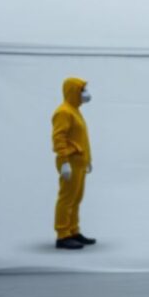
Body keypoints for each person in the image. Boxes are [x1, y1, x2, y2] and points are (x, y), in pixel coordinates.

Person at [52, 77, 96, 250]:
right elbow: (59, 138)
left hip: (79, 162)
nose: (85, 93)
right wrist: (63, 162)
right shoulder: (63, 112)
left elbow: (81, 139)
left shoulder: (74, 111)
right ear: (73, 91)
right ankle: (62, 235)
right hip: (70, 161)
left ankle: (73, 231)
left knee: (76, 198)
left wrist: (88, 160)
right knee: (67, 199)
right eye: (82, 90)